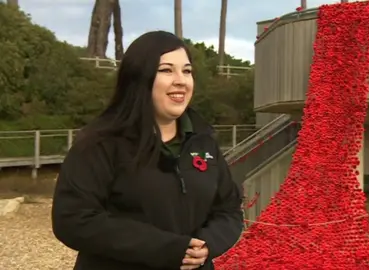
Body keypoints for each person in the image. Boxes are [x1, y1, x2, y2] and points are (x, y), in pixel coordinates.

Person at [51, 31, 244, 270]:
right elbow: (73, 219)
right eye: (166, 70)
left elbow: (229, 209)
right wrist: (167, 249)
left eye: (187, 71)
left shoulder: (203, 143)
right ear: (139, 78)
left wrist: (207, 245)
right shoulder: (100, 144)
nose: (181, 80)